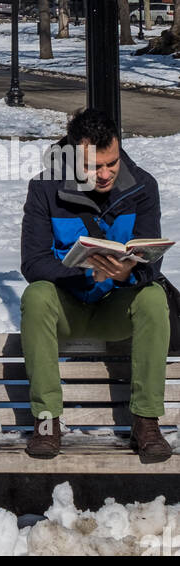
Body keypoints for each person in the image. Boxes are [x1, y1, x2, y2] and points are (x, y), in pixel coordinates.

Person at [20, 106, 171, 462]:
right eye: (93, 166)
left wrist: (127, 274)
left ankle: (146, 420)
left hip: (115, 308)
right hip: (68, 306)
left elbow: (151, 259)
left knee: (152, 297)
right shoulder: (45, 189)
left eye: (111, 163)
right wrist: (86, 272)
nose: (104, 174)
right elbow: (33, 262)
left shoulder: (143, 187)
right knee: (37, 295)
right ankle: (47, 419)